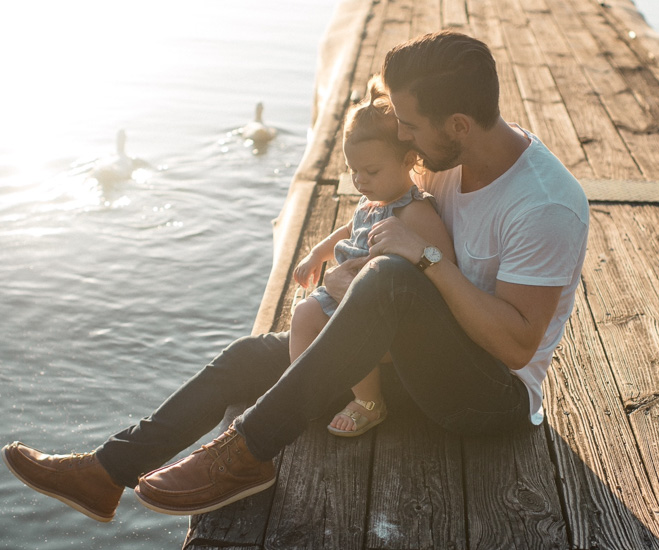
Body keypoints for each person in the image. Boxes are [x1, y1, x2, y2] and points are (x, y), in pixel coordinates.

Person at [2, 30, 589, 521]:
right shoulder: (444, 162)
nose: (401, 135)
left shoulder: (544, 205)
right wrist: (339, 255)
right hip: (412, 362)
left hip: (488, 397)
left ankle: (247, 452)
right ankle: (106, 472)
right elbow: (387, 219)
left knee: (389, 279)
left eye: (409, 124)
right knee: (246, 358)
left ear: (458, 124)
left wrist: (423, 260)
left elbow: (515, 348)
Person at [290, 76, 455, 436]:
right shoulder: (372, 201)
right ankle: (305, 391)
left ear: (409, 158)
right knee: (302, 314)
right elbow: (349, 229)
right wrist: (318, 253)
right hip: (345, 289)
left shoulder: (414, 211)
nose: (360, 181)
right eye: (353, 172)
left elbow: (443, 263)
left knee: (350, 332)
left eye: (371, 171)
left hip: (380, 310)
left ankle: (369, 401)